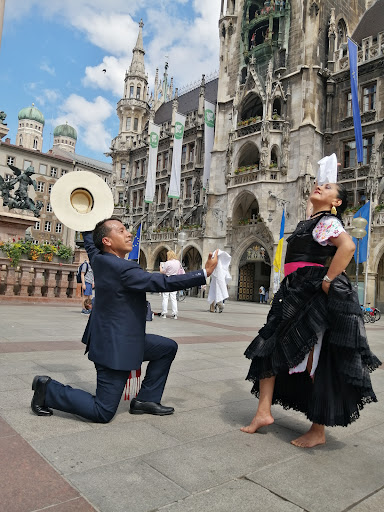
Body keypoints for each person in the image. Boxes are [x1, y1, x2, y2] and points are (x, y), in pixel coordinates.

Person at [31, 217, 218, 423]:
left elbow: (92, 246)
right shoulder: (123, 269)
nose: (129, 234)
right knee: (102, 411)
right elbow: (162, 282)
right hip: (114, 347)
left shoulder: (99, 258)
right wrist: (204, 272)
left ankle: (146, 399)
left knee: (166, 347)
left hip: (121, 338)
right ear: (107, 241)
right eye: (121, 231)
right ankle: (47, 389)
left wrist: (85, 216)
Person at [241, 182, 381, 447]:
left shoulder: (329, 222)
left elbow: (348, 247)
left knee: (313, 357)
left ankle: (318, 429)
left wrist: (329, 278)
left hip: (309, 290)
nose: (318, 186)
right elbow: (311, 202)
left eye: (327, 187)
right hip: (293, 288)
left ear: (336, 203)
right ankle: (263, 412)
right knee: (268, 346)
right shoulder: (313, 219)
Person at [159, 250, 184, 319]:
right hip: (175, 280)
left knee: (165, 297)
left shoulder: (167, 263)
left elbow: (163, 272)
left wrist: (160, 267)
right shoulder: (178, 262)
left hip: (167, 280)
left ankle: (164, 313)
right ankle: (175, 313)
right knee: (173, 298)